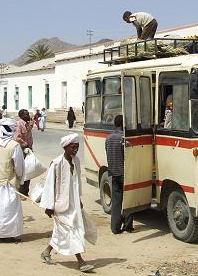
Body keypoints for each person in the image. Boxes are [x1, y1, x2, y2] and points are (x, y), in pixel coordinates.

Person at [40, 133, 94, 272]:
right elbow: (49, 185)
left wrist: (79, 200)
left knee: (62, 232)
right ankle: (81, 262)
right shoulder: (57, 163)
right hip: (60, 204)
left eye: (77, 147)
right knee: (70, 230)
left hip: (73, 203)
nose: (75, 150)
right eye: (72, 147)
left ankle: (46, 252)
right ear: (65, 147)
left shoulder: (76, 161)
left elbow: (77, 183)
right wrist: (48, 206)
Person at [105, 115, 134, 234]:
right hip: (124, 173)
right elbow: (127, 157)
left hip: (113, 173)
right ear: (123, 124)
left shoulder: (108, 138)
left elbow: (108, 155)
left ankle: (115, 228)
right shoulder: (123, 138)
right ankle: (127, 225)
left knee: (116, 202)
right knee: (128, 200)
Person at [14, 109, 33, 197]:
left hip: (28, 150)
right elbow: (17, 138)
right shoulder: (19, 124)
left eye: (28, 114)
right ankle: (21, 191)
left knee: (29, 170)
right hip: (22, 151)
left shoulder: (28, 124)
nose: (28, 115)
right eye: (26, 114)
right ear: (21, 116)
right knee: (22, 171)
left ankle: (26, 191)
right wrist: (25, 145)